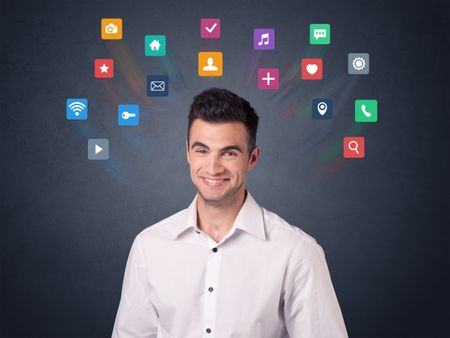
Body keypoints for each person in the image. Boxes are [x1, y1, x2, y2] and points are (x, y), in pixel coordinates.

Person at [111, 88, 348, 338]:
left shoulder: (296, 251)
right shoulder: (149, 247)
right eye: (202, 150)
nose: (213, 168)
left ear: (252, 158)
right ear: (188, 153)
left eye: (229, 153)